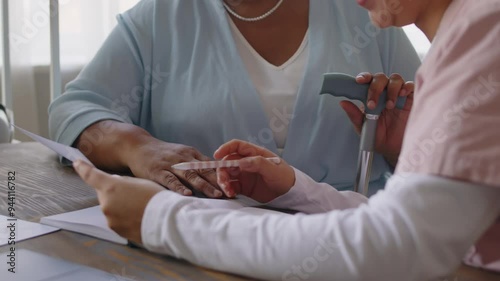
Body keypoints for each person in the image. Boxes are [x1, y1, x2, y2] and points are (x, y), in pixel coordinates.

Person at [72, 0, 500, 280]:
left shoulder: (482, 32)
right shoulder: (466, 32)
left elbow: (392, 244)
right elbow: (414, 223)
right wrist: (299, 190)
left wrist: (160, 219)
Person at [48, 0, 420, 198]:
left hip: (352, 244)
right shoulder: (160, 17)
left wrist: (398, 149)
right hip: (205, 247)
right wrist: (137, 147)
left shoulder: (367, 12)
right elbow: (73, 111)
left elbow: (438, 140)